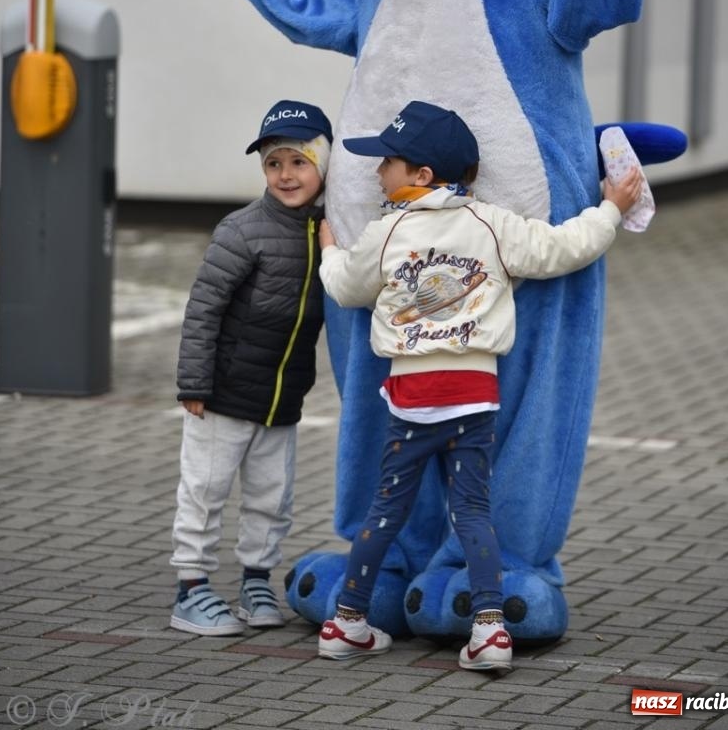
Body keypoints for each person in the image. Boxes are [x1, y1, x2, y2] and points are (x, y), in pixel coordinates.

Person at [316, 100, 643, 670]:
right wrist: (610, 209)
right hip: (472, 397)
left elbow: (346, 288)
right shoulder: (493, 224)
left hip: (412, 401)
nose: (376, 171)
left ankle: (347, 621)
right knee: (473, 513)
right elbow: (563, 248)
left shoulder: (387, 231)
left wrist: (327, 252)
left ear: (421, 175)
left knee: (386, 509)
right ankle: (490, 631)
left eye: (386, 161)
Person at [169, 99, 332, 635]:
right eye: (273, 163)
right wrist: (194, 381)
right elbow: (204, 307)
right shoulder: (241, 230)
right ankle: (190, 589)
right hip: (222, 394)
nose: (285, 175)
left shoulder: (328, 230)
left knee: (271, 497)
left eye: (298, 161)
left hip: (281, 400)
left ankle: (256, 582)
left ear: (325, 164)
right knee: (205, 490)